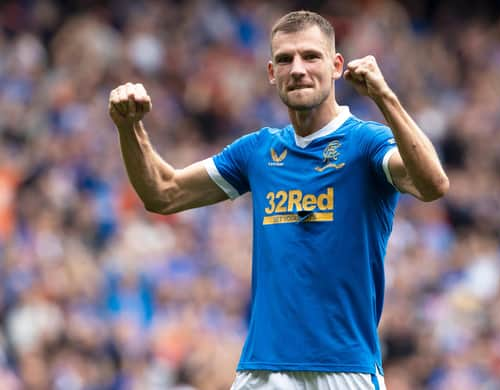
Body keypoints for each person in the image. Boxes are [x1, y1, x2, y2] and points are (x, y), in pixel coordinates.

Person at [108, 10, 448, 390]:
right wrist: (128, 126)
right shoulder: (258, 150)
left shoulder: (367, 143)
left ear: (336, 66)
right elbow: (163, 193)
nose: (298, 68)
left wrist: (385, 98)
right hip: (262, 371)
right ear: (272, 73)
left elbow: (432, 184)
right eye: (285, 59)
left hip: (346, 370)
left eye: (311, 56)